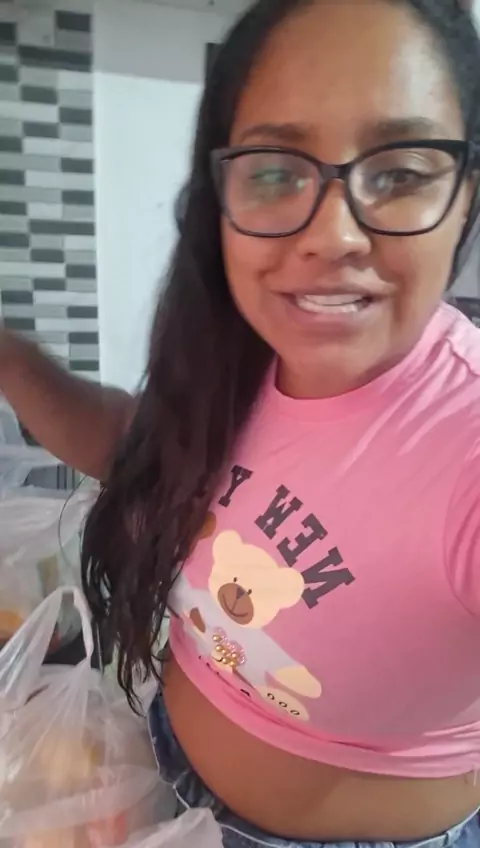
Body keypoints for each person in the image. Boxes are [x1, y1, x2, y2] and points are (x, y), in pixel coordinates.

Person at [2, 0, 480, 845]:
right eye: (275, 171)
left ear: (465, 194)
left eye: (401, 172)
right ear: (220, 200)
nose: (334, 235)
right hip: (165, 769)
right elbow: (136, 450)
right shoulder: (244, 352)